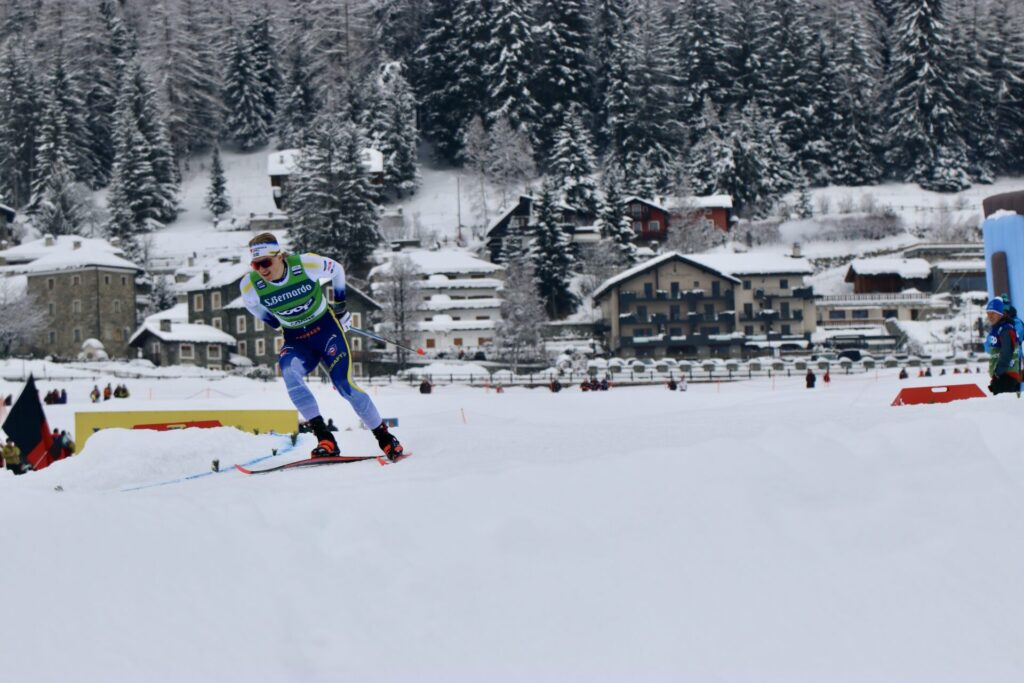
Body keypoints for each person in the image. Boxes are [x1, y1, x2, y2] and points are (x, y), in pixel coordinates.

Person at [239, 233, 404, 461]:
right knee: (289, 374)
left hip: (326, 331)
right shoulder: (250, 284)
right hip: (297, 340)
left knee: (344, 383)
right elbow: (252, 307)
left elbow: (337, 270)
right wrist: (273, 322)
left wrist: (341, 307)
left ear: (279, 256)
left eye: (265, 262)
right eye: (256, 265)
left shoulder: (305, 264)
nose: (261, 270)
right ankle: (325, 440)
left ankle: (385, 438)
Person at [984, 297, 1021, 395]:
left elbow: (1007, 352)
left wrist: (998, 372)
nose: (990, 316)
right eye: (988, 313)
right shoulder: (997, 329)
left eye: (993, 313)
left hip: (1006, 376)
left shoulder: (1005, 329)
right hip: (1001, 376)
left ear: (1000, 314)